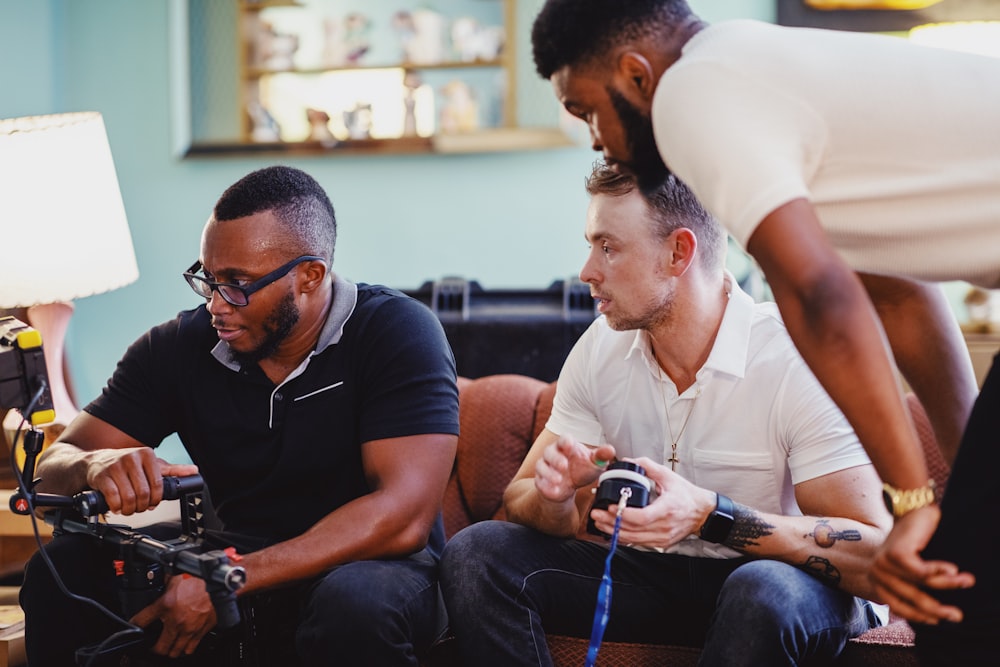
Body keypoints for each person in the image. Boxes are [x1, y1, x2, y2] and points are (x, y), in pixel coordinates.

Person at [530, 2, 1000, 662]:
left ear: (635, 76)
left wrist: (915, 501)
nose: (596, 138)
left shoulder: (694, 94)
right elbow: (898, 292)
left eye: (586, 110)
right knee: (967, 586)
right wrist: (969, 482)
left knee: (965, 613)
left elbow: (817, 296)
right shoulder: (751, 68)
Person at [440, 163, 892, 666]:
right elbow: (520, 498)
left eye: (608, 247)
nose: (587, 270)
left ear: (679, 252)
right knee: (477, 554)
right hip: (658, 577)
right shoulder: (600, 348)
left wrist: (710, 515)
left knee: (760, 590)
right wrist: (558, 496)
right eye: (591, 246)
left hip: (784, 583)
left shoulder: (795, 358)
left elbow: (876, 555)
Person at [19, 165, 460, 666]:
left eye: (237, 283)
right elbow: (50, 473)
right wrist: (90, 467)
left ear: (309, 277)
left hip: (376, 565)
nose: (215, 306)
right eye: (207, 279)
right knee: (63, 568)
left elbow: (402, 517)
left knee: (353, 603)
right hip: (234, 552)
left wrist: (229, 579)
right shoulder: (180, 347)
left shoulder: (396, 332)